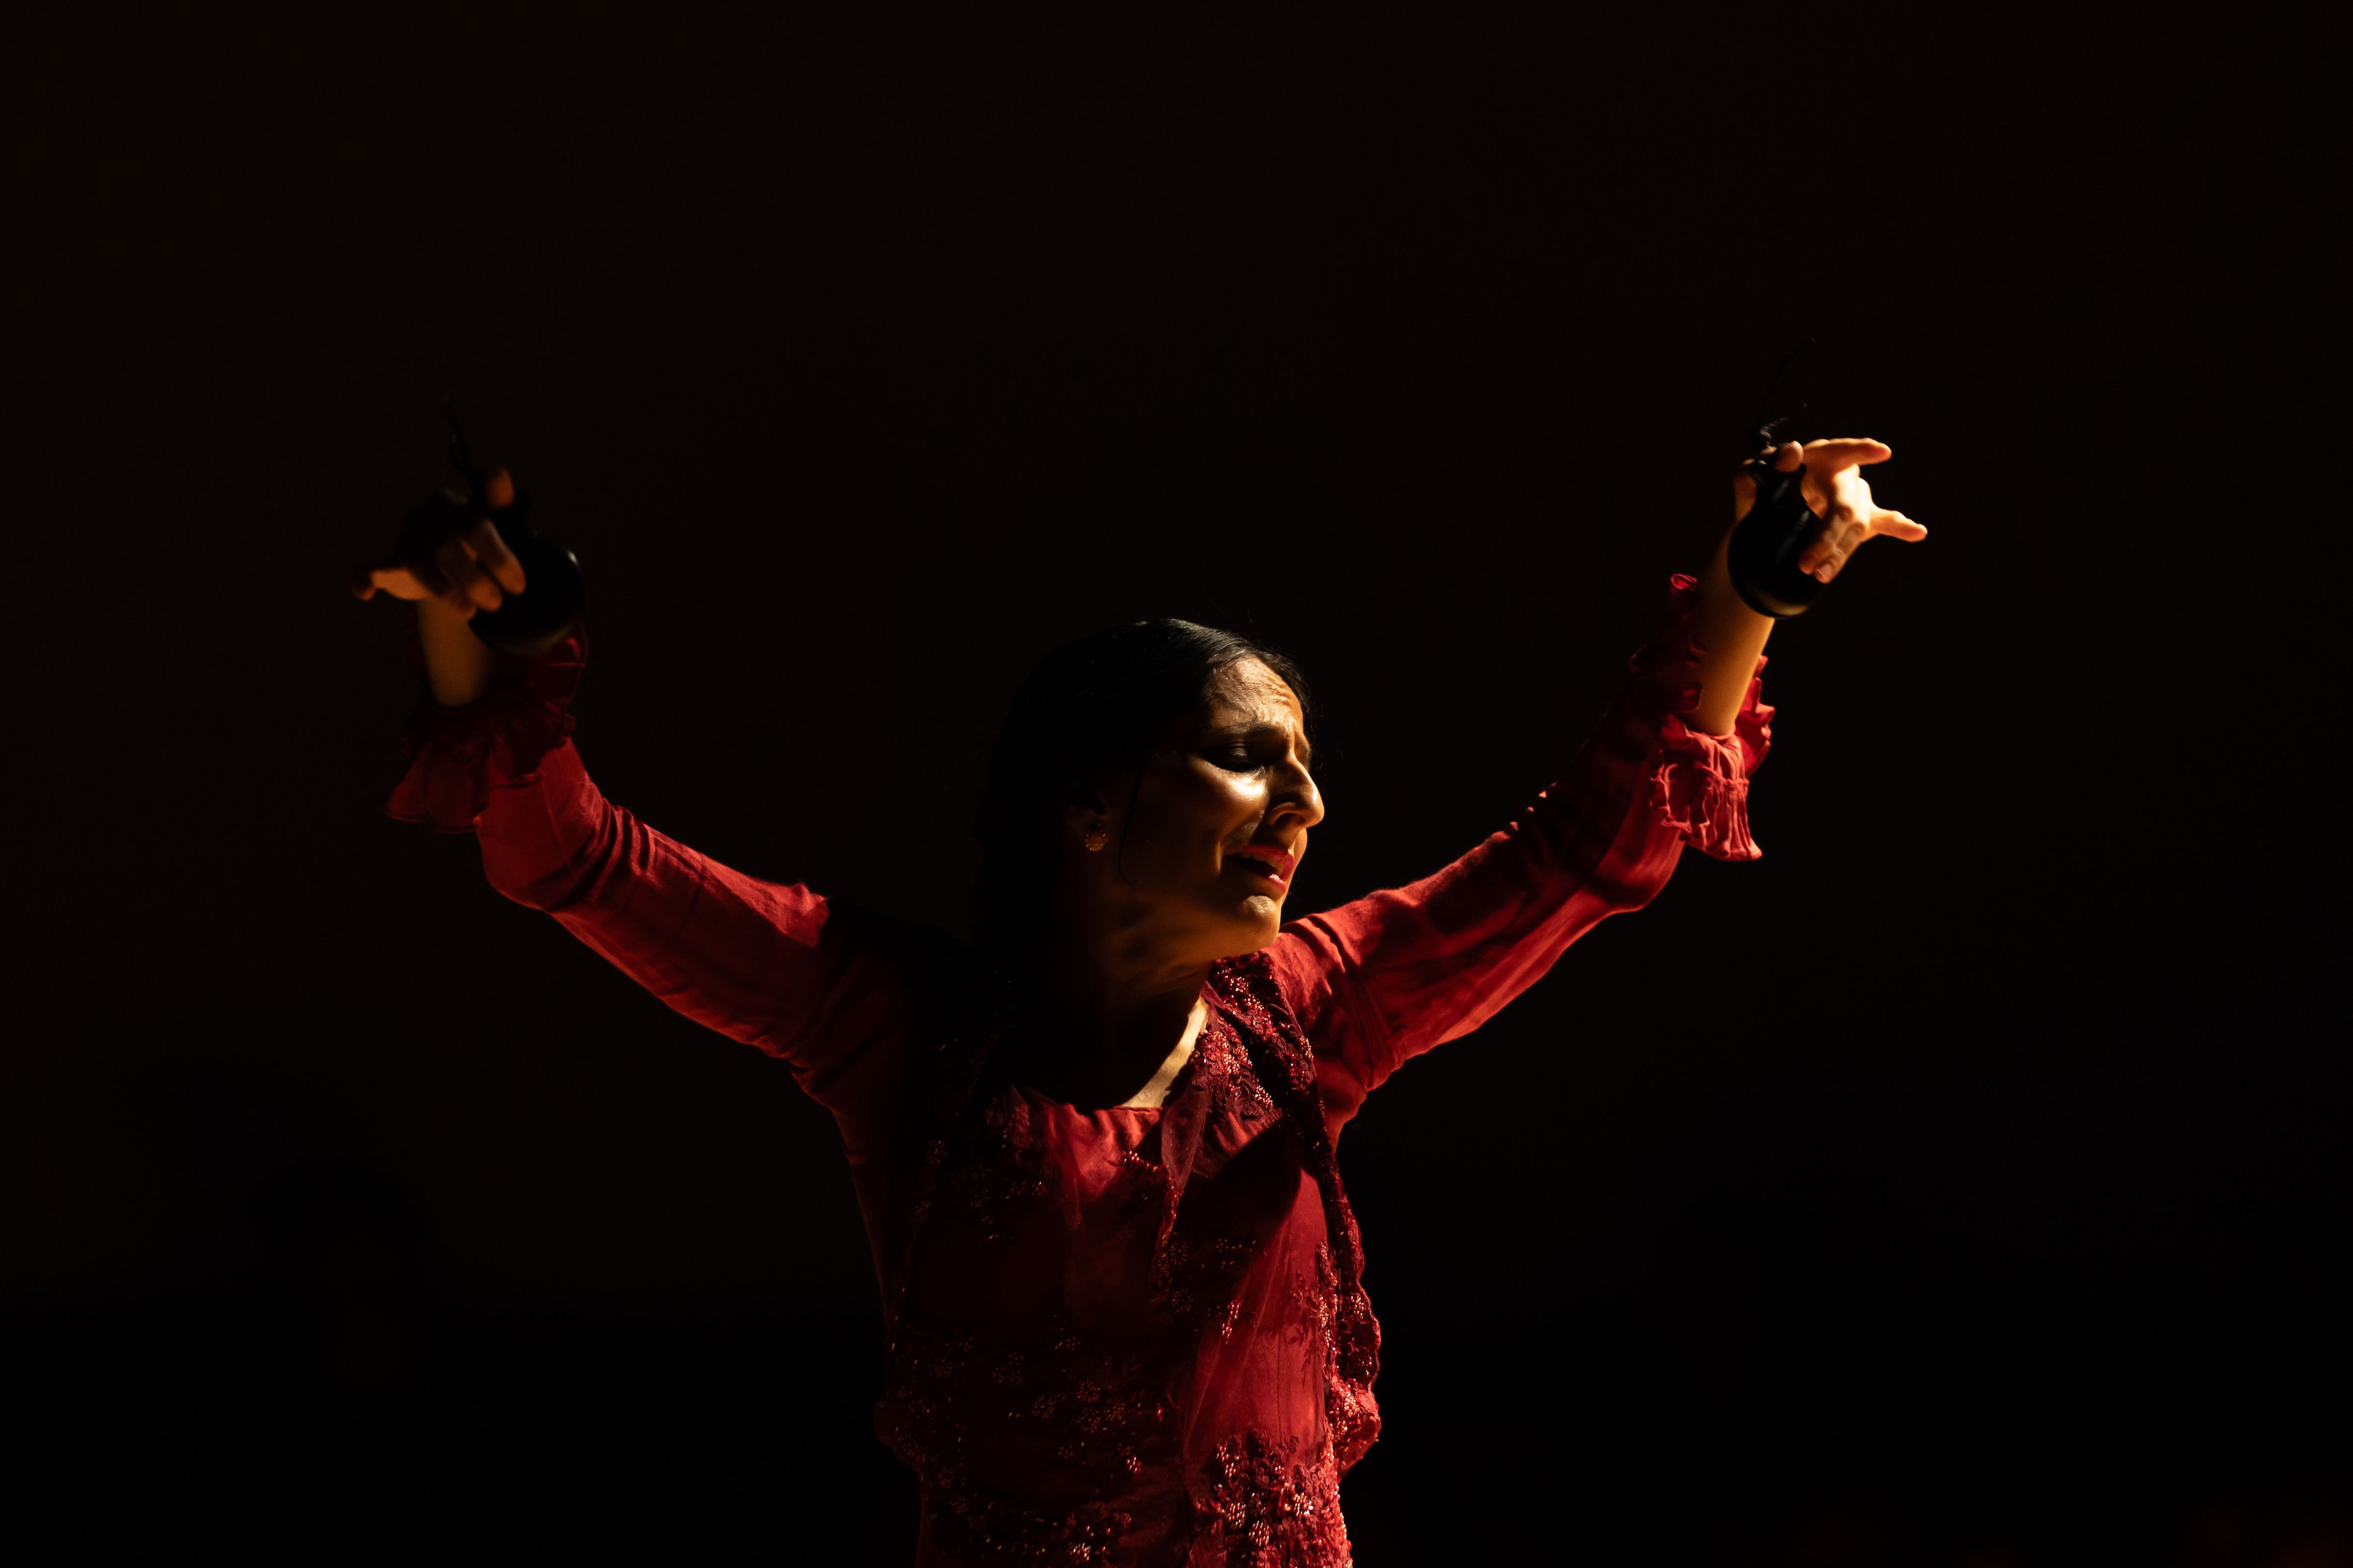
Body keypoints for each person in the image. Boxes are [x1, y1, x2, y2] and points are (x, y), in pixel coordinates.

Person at [352, 439, 1925, 1566]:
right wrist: (487, 631)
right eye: (1252, 756)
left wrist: (1749, 586)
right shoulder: (901, 1027)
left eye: (1310, 767)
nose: (1302, 803)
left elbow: (1587, 847)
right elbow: (571, 856)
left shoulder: (1314, 1008)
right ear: (1094, 804)